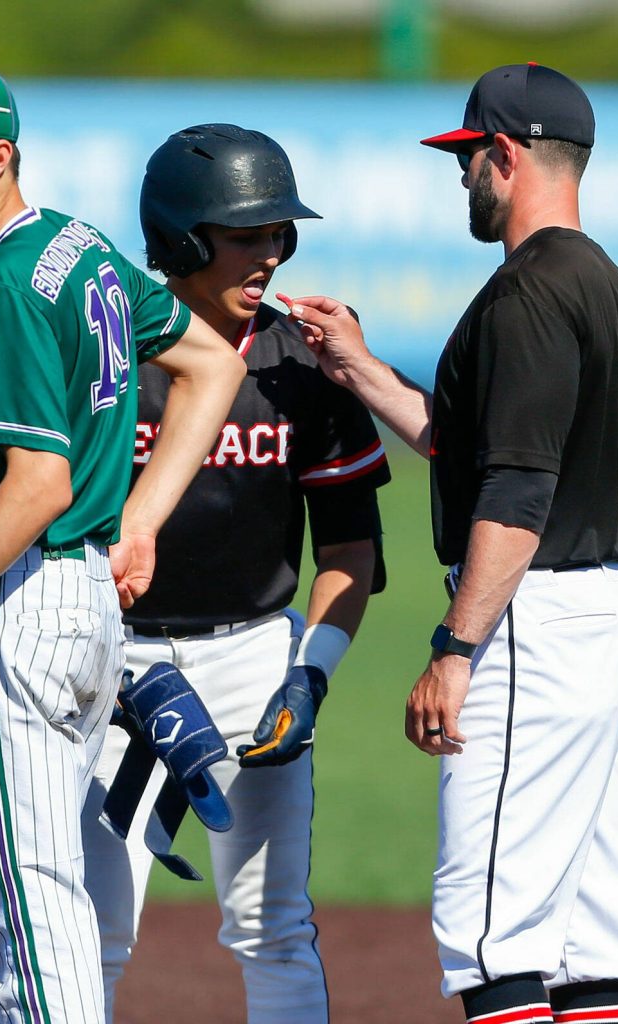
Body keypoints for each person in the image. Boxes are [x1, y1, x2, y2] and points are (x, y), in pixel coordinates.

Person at [284, 64, 618, 1024]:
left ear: (504, 155)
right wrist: (359, 368)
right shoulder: (599, 281)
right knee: (582, 942)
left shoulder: (525, 298)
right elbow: (470, 445)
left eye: (467, 160)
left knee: (490, 933)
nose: (461, 180)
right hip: (610, 620)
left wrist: (453, 651)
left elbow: (515, 491)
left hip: (533, 623)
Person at [0, 57, 245, 1023]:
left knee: (27, 913)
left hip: (22, 608)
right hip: (79, 604)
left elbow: (35, 489)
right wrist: (138, 521)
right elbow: (208, 362)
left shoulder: (3, 283)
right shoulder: (76, 247)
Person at [81, 123, 391, 1023]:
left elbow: (349, 551)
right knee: (92, 925)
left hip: (257, 658)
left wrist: (311, 673)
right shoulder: (109, 352)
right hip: (115, 666)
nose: (270, 253)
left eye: (278, 234)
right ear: (180, 239)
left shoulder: (302, 360)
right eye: (246, 233)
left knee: (272, 924)